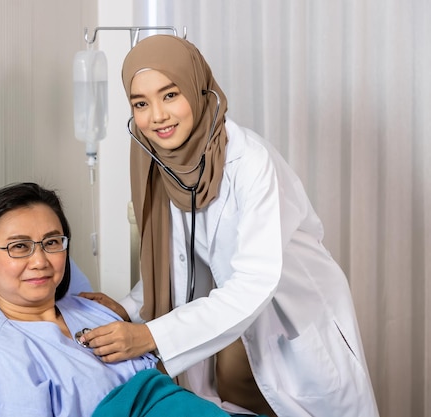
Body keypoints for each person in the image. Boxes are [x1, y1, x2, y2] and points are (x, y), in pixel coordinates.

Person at [78, 35, 380, 417]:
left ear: (198, 89)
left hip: (295, 318)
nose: (157, 116)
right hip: (234, 336)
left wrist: (149, 336)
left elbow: (255, 281)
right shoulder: (167, 166)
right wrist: (128, 309)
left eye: (170, 95)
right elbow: (180, 260)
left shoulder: (250, 162)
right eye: (141, 103)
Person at [0, 182, 250, 417]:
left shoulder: (90, 308)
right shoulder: (1, 357)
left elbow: (154, 382)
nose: (40, 261)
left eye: (51, 242)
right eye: (19, 247)